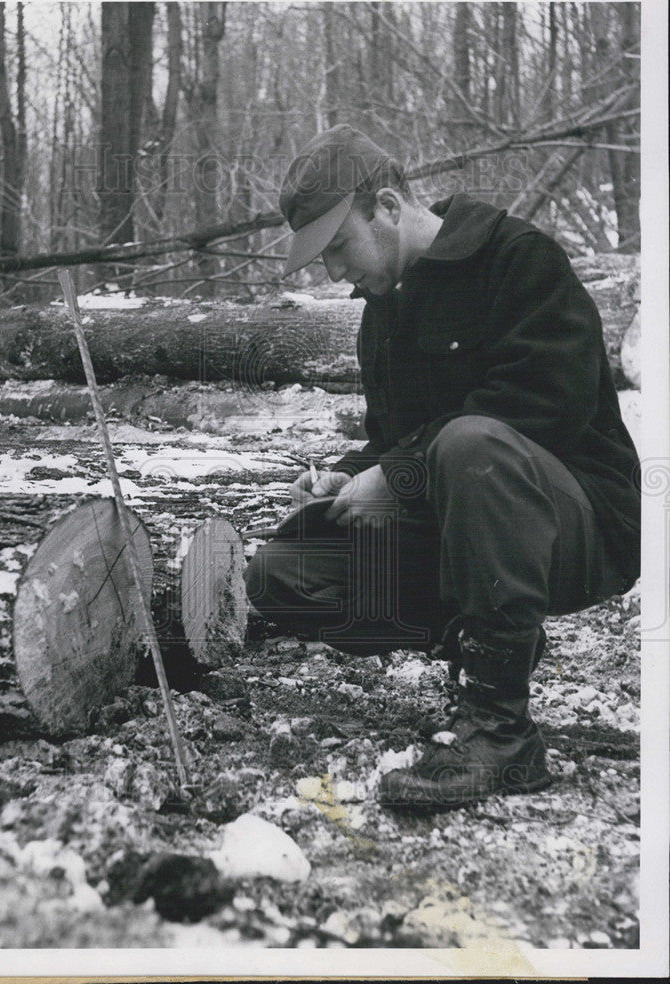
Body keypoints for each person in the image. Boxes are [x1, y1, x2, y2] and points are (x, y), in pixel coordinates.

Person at [244, 124, 640, 812]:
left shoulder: (517, 258)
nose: (333, 272)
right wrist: (348, 476)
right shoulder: (383, 313)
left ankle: (503, 735)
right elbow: (396, 439)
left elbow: (541, 408)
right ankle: (484, 633)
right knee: (282, 572)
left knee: (469, 447)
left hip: (577, 528)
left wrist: (396, 476)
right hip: (461, 527)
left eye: (338, 247)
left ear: (389, 207)